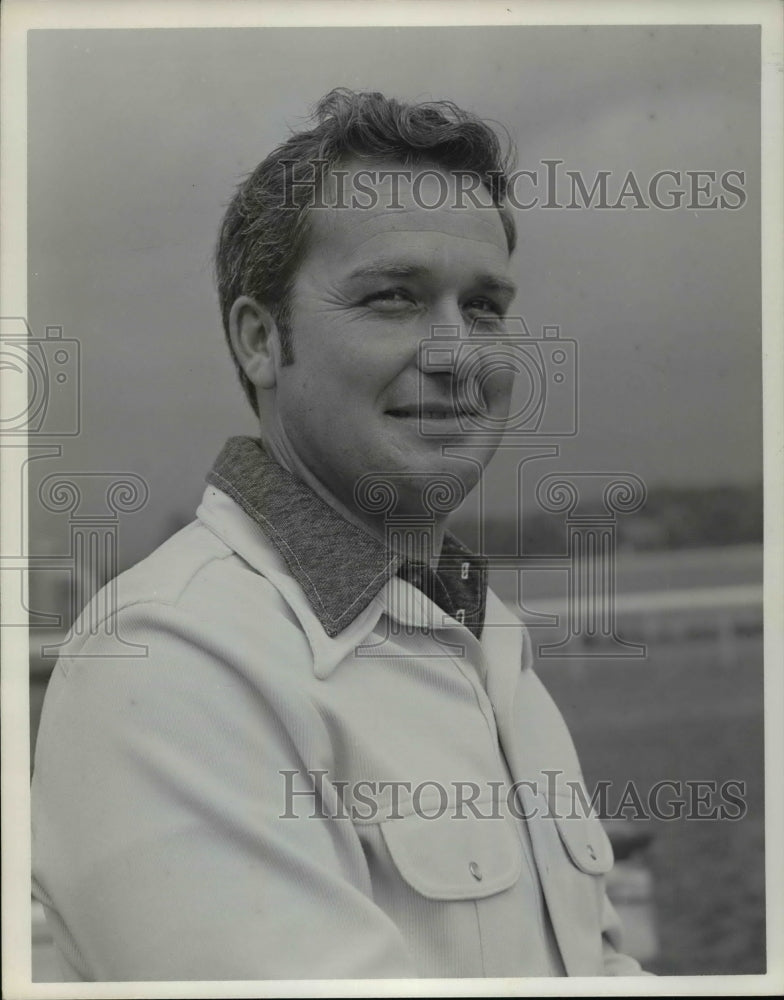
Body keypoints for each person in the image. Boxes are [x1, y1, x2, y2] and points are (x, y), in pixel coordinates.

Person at [31, 88, 647, 981]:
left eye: (483, 308)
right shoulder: (168, 662)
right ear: (257, 341)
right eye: (394, 298)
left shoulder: (482, 637)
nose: (458, 353)